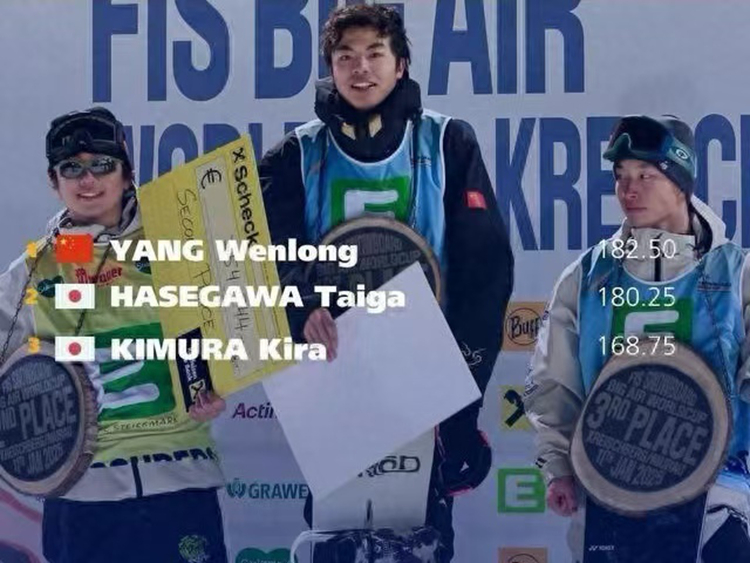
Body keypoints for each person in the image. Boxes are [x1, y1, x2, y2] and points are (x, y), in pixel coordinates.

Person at [258, 5, 513, 561]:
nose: (361, 68)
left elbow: (485, 272)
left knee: (418, 543)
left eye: (375, 54)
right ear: (331, 68)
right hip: (334, 386)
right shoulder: (296, 153)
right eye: (345, 56)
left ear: (401, 66)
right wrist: (301, 309)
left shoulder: (447, 142)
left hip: (424, 387)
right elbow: (263, 252)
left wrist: (459, 399)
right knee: (334, 545)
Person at [0, 107, 228, 563]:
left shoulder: (180, 244)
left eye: (102, 164)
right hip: (81, 498)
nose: (88, 180)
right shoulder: (34, 269)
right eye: (71, 168)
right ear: (54, 181)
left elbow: (234, 334)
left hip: (179, 484)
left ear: (127, 174)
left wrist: (221, 383)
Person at [524, 114, 750, 562]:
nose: (629, 189)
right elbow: (554, 384)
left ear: (681, 183)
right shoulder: (587, 276)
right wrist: (558, 467)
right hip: (610, 493)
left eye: (646, 175)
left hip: (718, 492)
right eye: (621, 176)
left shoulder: (737, 272)